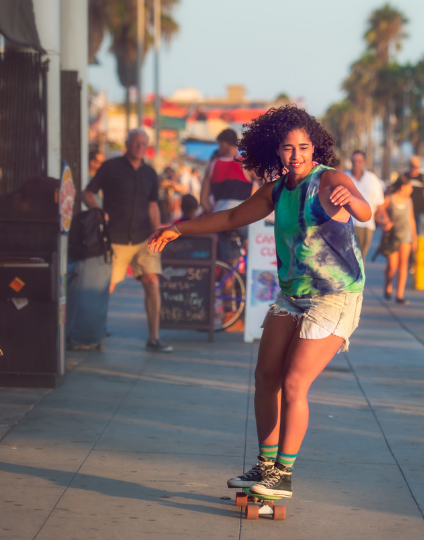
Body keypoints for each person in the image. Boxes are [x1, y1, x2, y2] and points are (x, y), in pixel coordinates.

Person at [148, 105, 371, 498]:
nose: (296, 155)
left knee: (294, 382)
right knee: (265, 377)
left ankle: (283, 475)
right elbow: (232, 218)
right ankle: (265, 466)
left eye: (303, 147)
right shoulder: (275, 190)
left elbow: (366, 210)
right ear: (276, 151)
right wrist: (178, 229)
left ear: (314, 148)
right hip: (293, 294)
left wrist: (351, 202)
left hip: (335, 296)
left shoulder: (330, 179)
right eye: (287, 148)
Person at [83, 128, 171, 353]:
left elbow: (153, 207)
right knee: (106, 287)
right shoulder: (110, 167)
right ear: (127, 143)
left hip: (144, 238)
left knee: (152, 282)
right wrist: (99, 212)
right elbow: (88, 193)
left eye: (143, 143)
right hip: (116, 238)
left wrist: (157, 235)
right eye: (136, 142)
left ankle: (154, 338)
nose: (139, 146)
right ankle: (94, 333)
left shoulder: (150, 173)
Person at [200, 128, 255, 263]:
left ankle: (228, 282)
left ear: (224, 144)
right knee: (259, 245)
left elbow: (203, 201)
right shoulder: (247, 164)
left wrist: (215, 213)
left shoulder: (212, 166)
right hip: (242, 218)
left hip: (221, 221)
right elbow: (268, 186)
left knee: (230, 263)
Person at [375, 176, 417, 305]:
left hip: (406, 236)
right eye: (410, 187)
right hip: (392, 237)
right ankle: (388, 284)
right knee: (392, 265)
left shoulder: (409, 201)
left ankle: (400, 295)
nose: (411, 189)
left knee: (403, 264)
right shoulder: (389, 199)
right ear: (402, 187)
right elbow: (377, 214)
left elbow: (411, 219)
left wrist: (414, 238)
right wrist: (384, 223)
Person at [345, 149, 384, 260]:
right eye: (354, 161)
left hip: (367, 224)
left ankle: (358, 277)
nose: (356, 163)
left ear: (364, 162)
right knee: (349, 257)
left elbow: (379, 203)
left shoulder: (372, 179)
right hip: (348, 223)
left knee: (361, 257)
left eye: (359, 161)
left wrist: (384, 219)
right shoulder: (344, 177)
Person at [402, 155, 424, 271]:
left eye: (416, 166)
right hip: (406, 212)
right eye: (412, 166)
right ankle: (410, 262)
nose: (414, 169)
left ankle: (419, 261)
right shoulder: (404, 177)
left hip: (421, 212)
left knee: (420, 237)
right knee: (409, 237)